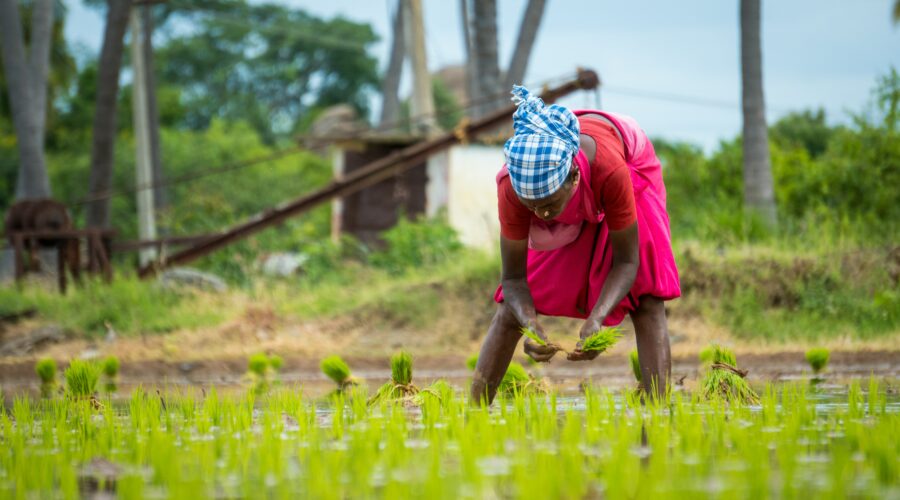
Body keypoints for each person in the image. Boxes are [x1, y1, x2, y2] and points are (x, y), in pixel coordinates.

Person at [470, 86, 681, 404]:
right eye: (532, 206)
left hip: (630, 164)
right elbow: (513, 281)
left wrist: (597, 318)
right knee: (509, 311)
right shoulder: (513, 187)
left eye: (549, 204)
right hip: (583, 187)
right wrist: (529, 323)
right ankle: (473, 410)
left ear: (573, 178)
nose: (540, 214)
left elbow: (627, 261)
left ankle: (659, 409)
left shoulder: (610, 171)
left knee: (648, 297)